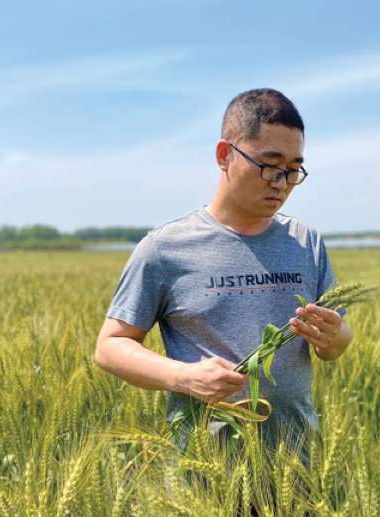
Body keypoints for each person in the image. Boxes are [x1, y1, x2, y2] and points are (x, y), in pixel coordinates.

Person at [94, 88, 352, 465]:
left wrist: (333, 335)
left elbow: (334, 346)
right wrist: (184, 377)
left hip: (297, 473)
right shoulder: (166, 248)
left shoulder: (306, 241)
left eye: (294, 169)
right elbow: (110, 346)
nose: (281, 182)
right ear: (224, 155)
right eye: (270, 163)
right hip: (201, 477)